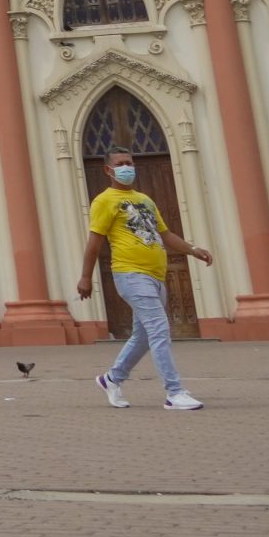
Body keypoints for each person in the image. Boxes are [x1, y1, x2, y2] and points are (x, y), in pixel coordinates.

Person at [78, 146, 214, 411]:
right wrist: (85, 277)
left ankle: (112, 379)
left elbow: (165, 234)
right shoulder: (104, 201)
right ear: (109, 169)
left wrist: (194, 250)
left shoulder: (145, 200)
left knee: (142, 335)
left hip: (156, 276)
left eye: (130, 162)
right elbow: (94, 243)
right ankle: (174, 392)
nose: (127, 167)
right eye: (121, 163)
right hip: (130, 274)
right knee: (160, 330)